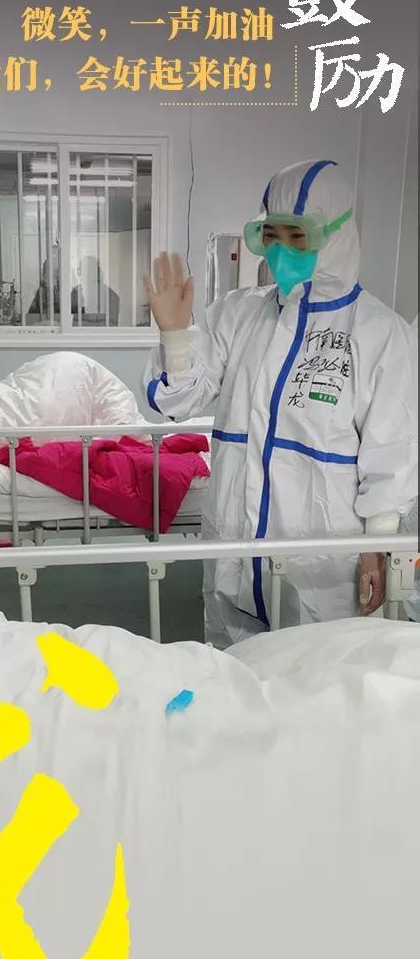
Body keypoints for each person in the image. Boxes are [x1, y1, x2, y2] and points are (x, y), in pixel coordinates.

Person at [143, 159, 417, 648]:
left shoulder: (380, 334)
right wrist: (176, 338)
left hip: (322, 560)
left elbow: (393, 454)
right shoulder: (237, 313)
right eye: (271, 235)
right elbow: (178, 400)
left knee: (315, 669)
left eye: (297, 237)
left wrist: (378, 546)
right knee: (232, 661)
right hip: (234, 537)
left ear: (337, 235)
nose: (280, 250)